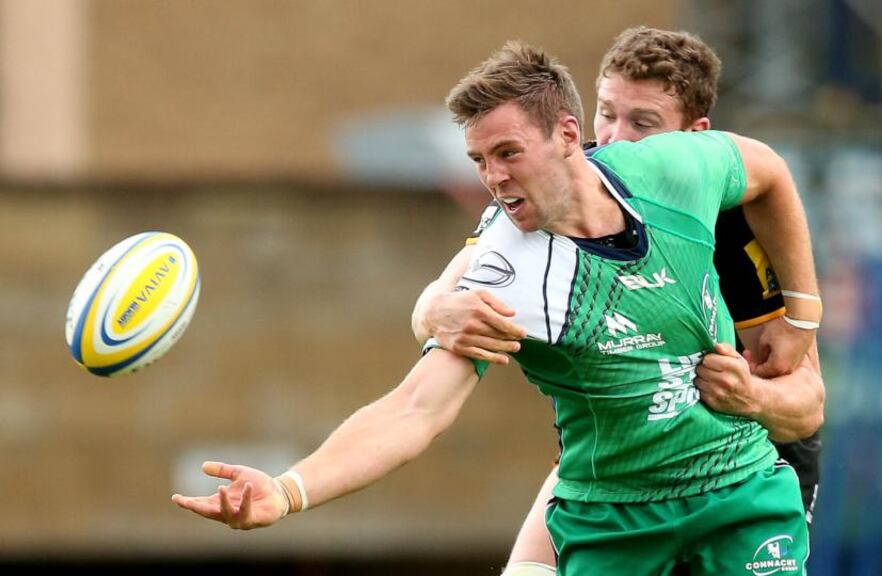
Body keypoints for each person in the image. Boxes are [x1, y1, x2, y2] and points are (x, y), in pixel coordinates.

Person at [173, 42, 821, 575]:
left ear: (567, 135)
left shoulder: (671, 172)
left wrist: (803, 312)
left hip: (740, 491)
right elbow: (414, 409)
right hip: (614, 517)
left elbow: (768, 170)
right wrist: (287, 491)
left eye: (509, 152)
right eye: (479, 160)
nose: (493, 176)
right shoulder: (508, 269)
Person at [411, 28, 824, 575]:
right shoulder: (563, 188)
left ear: (696, 135)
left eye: (642, 124)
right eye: (606, 114)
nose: (613, 138)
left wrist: (773, 362)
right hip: (616, 474)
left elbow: (805, 410)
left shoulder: (729, 222)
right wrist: (432, 309)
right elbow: (456, 281)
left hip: (746, 469)